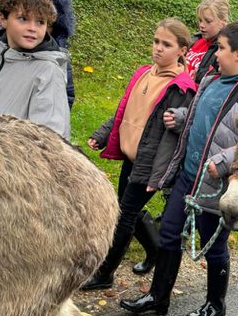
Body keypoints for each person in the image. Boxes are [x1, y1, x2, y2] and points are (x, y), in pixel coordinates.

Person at [120, 20, 238, 316]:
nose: (215, 53)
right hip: (188, 177)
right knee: (169, 233)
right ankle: (159, 298)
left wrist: (223, 163)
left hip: (216, 187)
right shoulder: (212, 80)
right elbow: (203, 117)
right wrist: (182, 117)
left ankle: (215, 304)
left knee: (214, 245)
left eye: (221, 48)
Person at [80, 18, 197, 291]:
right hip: (131, 156)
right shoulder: (144, 73)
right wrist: (104, 133)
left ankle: (105, 273)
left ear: (182, 50)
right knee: (126, 207)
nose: (158, 48)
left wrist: (159, 174)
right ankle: (154, 250)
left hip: (151, 162)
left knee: (124, 214)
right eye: (156, 41)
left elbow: (180, 132)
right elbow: (125, 111)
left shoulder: (181, 88)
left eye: (166, 44)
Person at [0, 0, 69, 139]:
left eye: (40, 22)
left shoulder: (48, 72)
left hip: (14, 161)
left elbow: (50, 140)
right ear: (3, 19)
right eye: (23, 19)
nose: (32, 28)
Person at [33, 0, 77, 109]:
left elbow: (66, 100)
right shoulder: (4, 49)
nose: (34, 28)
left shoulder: (58, 59)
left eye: (44, 22)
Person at [185, 0, 231, 84]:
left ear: (223, 23)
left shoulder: (222, 52)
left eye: (208, 21)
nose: (201, 25)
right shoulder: (194, 40)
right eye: (200, 20)